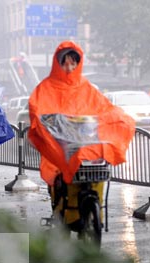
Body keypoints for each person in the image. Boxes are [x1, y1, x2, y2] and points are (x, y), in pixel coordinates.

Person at [26, 40, 135, 229]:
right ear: (58, 63)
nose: (69, 66)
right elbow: (38, 110)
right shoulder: (45, 88)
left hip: (86, 144)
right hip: (61, 146)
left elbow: (104, 108)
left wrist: (118, 118)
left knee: (96, 172)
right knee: (59, 181)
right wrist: (52, 124)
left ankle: (92, 214)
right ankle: (60, 213)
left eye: (73, 62)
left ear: (79, 63)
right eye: (65, 62)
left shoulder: (87, 88)